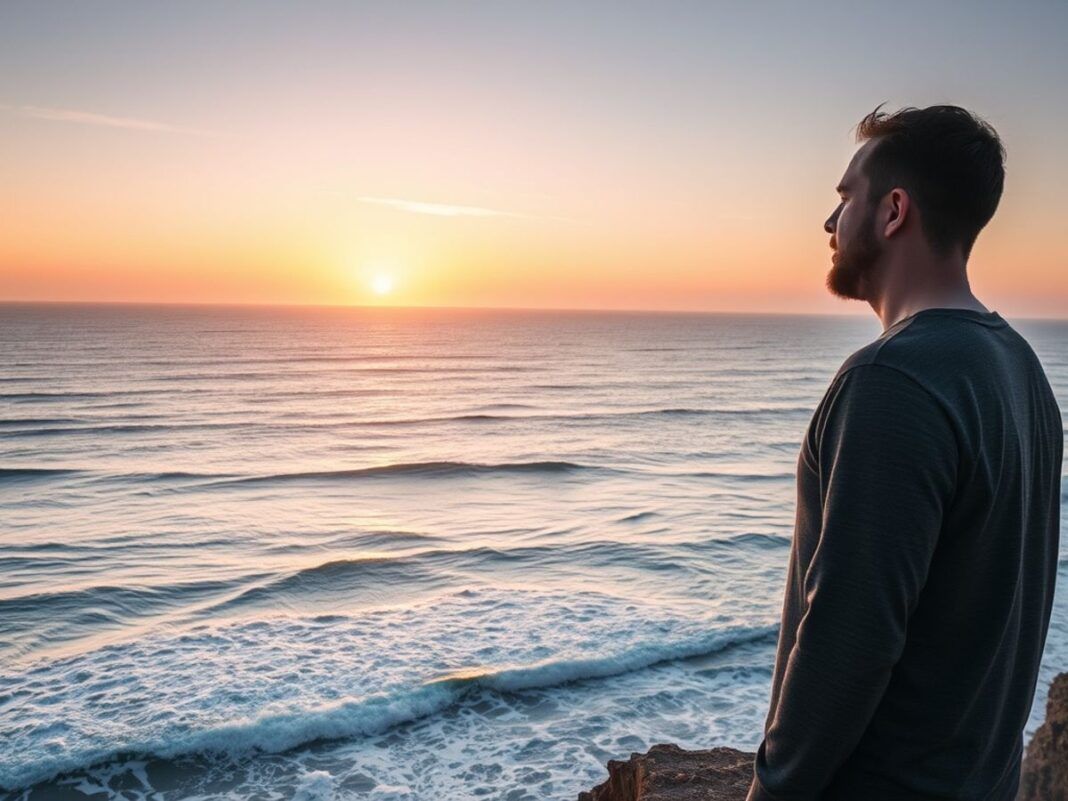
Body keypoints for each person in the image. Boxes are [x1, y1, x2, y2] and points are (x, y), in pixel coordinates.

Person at [746, 105, 1063, 800]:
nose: (829, 224)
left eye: (843, 198)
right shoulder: (1021, 369)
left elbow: (848, 641)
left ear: (894, 211)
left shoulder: (891, 381)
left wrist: (771, 791)